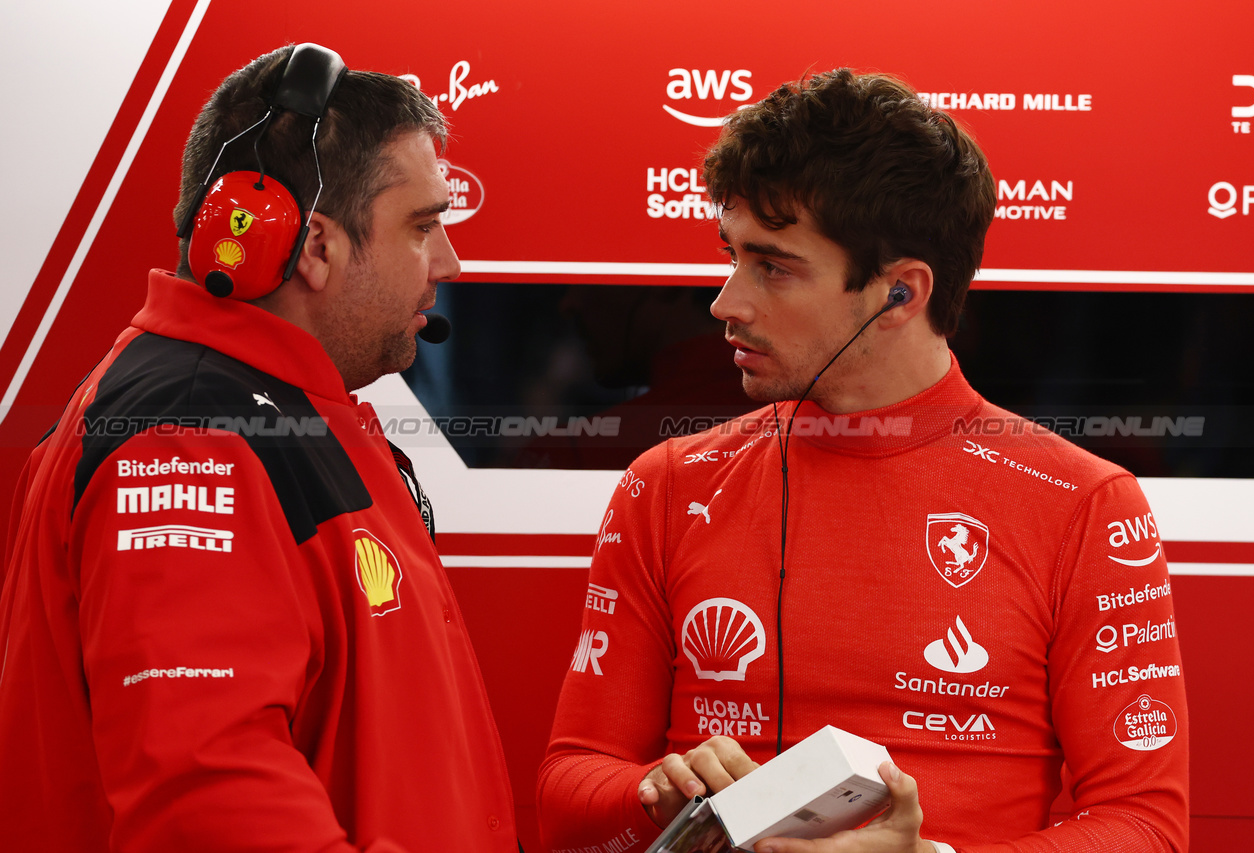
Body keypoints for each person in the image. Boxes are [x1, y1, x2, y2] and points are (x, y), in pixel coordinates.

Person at [537, 69, 1188, 853]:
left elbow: (1147, 826)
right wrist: (661, 792)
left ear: (900, 295)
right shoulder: (669, 482)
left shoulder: (1084, 501)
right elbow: (565, 794)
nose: (725, 301)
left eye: (772, 266)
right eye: (732, 256)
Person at [0, 44, 518, 851]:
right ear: (312, 245)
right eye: (423, 226)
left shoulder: (262, 414)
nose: (449, 261)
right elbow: (208, 803)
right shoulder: (186, 437)